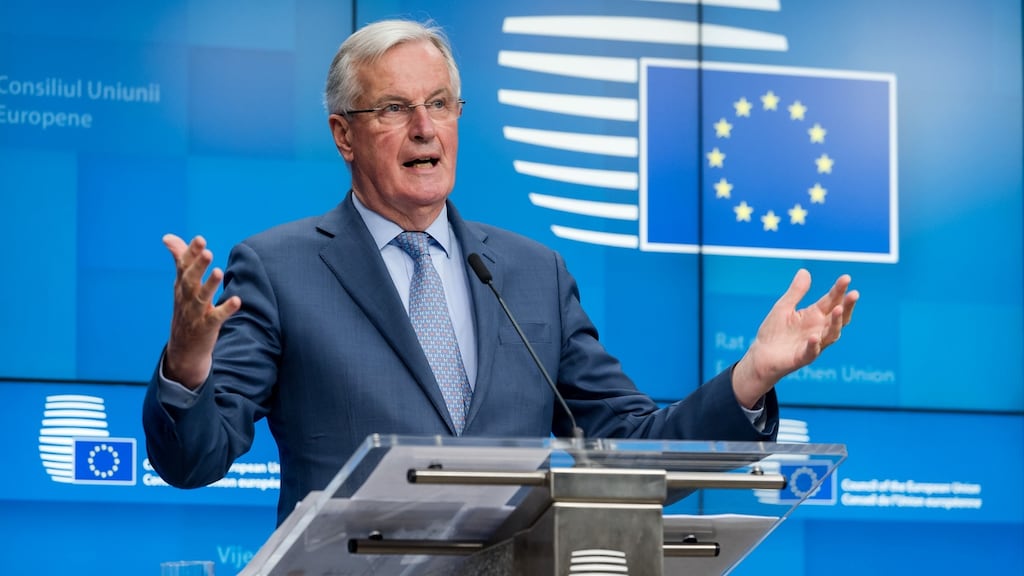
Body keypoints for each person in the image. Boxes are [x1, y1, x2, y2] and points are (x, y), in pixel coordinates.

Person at [142, 19, 859, 526]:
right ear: (344, 135)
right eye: (395, 108)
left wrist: (752, 379)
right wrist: (187, 363)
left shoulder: (530, 272)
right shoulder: (279, 267)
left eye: (441, 105)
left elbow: (630, 449)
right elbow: (194, 459)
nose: (425, 127)